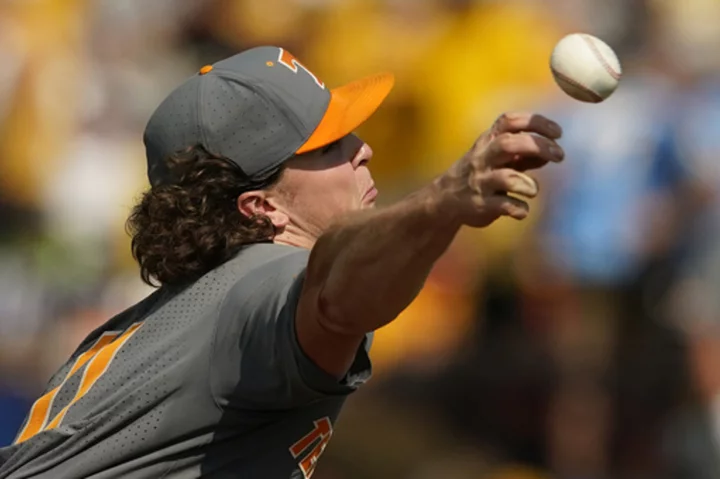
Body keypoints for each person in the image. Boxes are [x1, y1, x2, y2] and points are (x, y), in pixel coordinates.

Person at [0, 46, 564, 479]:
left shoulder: (164, 319)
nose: (363, 149)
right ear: (261, 206)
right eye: (328, 146)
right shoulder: (257, 286)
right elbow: (336, 294)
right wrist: (444, 201)